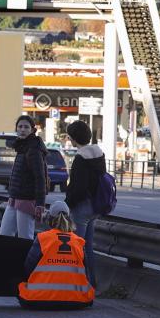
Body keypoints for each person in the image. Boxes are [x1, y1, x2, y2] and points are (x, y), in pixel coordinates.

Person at [18, 204, 95, 309]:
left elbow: (28, 267)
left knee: (20, 286)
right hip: (78, 300)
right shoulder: (79, 242)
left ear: (49, 219)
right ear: (69, 219)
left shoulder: (42, 238)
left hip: (39, 299)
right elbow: (87, 274)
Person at [63, 119, 107, 288]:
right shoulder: (99, 154)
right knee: (88, 247)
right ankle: (91, 282)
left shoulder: (81, 158)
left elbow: (78, 187)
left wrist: (68, 203)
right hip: (95, 206)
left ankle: (78, 284)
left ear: (74, 138)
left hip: (81, 207)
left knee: (76, 247)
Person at [0, 114, 49, 241]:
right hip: (14, 198)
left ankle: (27, 261)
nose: (22, 129)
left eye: (26, 127)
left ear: (33, 130)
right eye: (20, 126)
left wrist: (40, 204)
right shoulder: (22, 146)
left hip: (27, 201)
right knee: (5, 234)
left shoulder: (33, 149)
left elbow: (40, 178)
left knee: (25, 238)